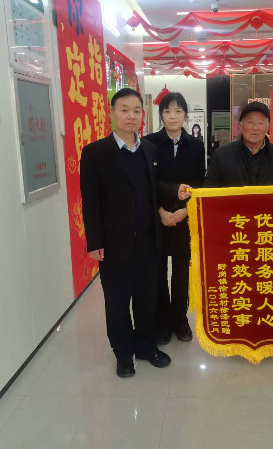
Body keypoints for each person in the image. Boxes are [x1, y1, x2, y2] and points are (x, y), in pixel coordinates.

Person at [80, 88, 188, 378]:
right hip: (114, 244)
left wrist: (174, 191)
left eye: (136, 110)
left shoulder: (150, 150)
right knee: (117, 304)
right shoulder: (95, 153)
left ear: (143, 114)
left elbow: (154, 188)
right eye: (124, 110)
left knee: (146, 300)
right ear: (112, 113)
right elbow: (90, 202)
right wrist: (94, 241)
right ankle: (123, 354)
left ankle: (146, 346)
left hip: (149, 241)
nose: (131, 116)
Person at [143, 92, 206, 345]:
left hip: (184, 217)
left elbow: (200, 183)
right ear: (161, 115)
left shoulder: (196, 145)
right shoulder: (149, 143)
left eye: (178, 111)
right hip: (157, 218)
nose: (172, 116)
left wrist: (185, 211)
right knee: (157, 272)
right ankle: (162, 322)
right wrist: (160, 211)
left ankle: (180, 320)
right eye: (167, 111)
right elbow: (147, 182)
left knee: (181, 272)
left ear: (185, 115)